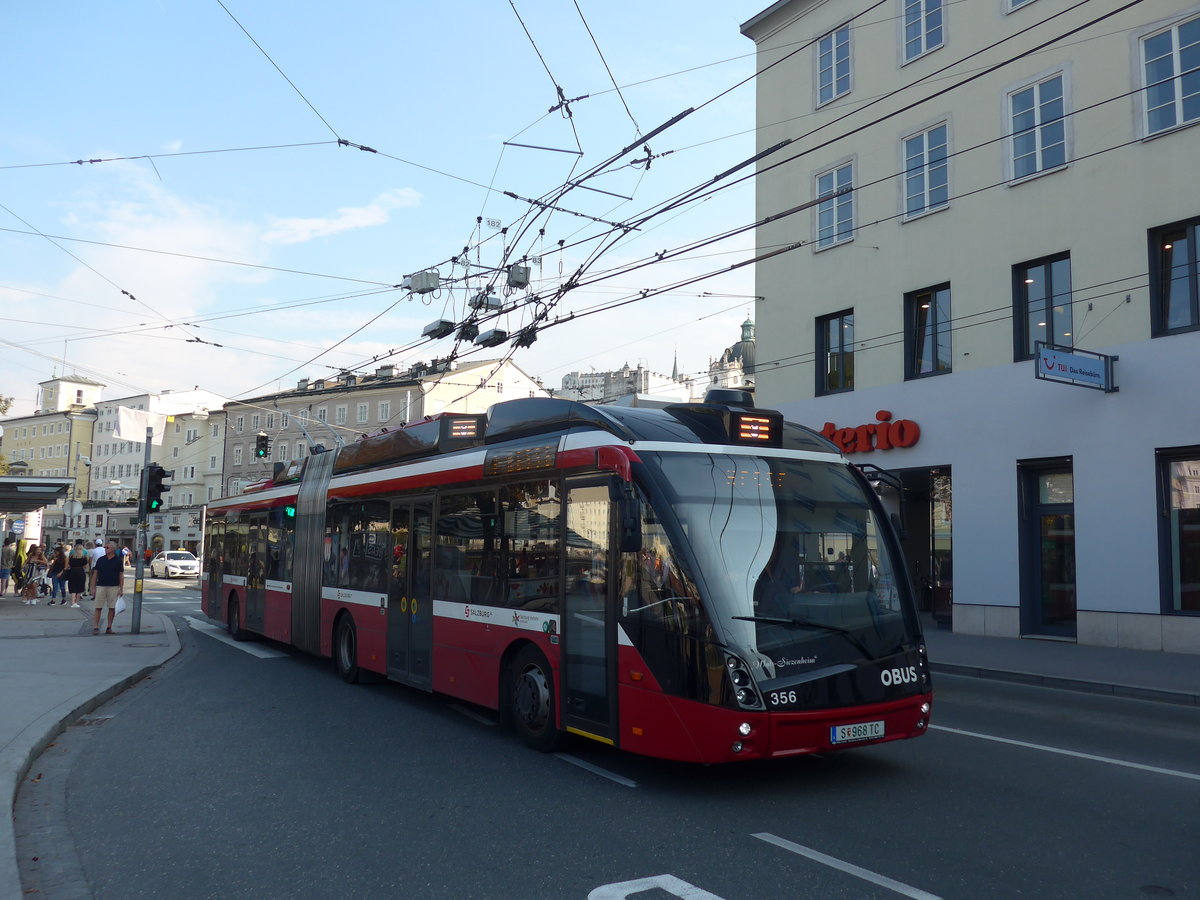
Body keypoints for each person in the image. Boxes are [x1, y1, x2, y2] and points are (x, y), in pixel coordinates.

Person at [91, 542, 125, 635]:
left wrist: (121, 588)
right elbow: (95, 574)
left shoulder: (118, 560)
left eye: (107, 547)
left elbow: (121, 575)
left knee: (112, 608)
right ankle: (96, 627)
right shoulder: (101, 560)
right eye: (105, 547)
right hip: (101, 585)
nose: (105, 549)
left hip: (114, 586)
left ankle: (109, 627)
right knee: (98, 607)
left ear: (113, 549)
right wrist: (93, 588)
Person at [66, 539, 90, 608]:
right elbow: (85, 565)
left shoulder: (72, 555)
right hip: (80, 571)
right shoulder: (84, 556)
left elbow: (69, 564)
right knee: (79, 587)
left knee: (73, 587)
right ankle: (76, 602)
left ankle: (73, 602)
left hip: (72, 571)